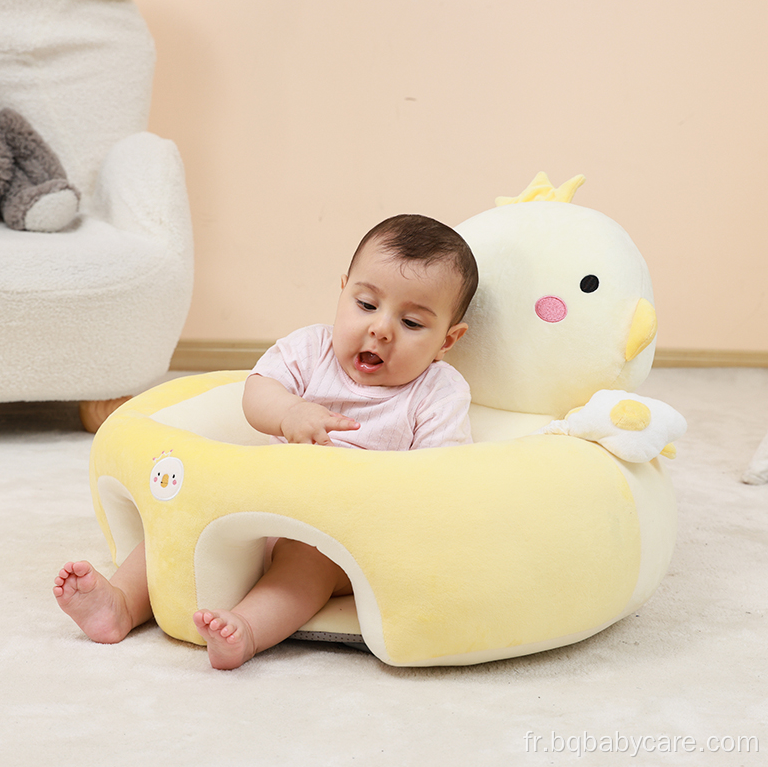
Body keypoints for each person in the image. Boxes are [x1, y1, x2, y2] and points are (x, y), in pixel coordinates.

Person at [54, 214, 478, 669]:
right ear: (343, 291)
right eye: (366, 305)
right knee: (184, 525)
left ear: (446, 340)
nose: (381, 329)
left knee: (307, 565)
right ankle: (120, 602)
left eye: (412, 323)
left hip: (337, 534)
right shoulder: (310, 350)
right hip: (264, 499)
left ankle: (248, 629)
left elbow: (439, 476)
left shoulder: (438, 390)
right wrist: (290, 412)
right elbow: (256, 394)